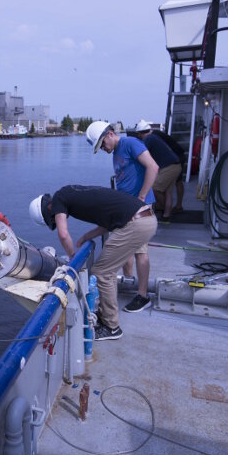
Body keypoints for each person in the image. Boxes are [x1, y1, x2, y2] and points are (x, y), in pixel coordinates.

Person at [29, 185, 157, 340]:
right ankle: (105, 315)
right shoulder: (72, 192)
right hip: (145, 217)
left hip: (136, 223)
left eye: (53, 217)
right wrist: (86, 236)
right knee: (106, 269)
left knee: (102, 272)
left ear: (48, 209)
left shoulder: (59, 199)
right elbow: (107, 223)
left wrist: (72, 258)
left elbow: (63, 235)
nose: (56, 218)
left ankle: (112, 327)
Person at [86, 121, 158, 313]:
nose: (102, 149)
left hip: (139, 208)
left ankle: (143, 296)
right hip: (127, 209)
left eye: (102, 144)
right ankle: (129, 284)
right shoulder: (117, 153)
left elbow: (153, 167)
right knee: (125, 250)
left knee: (140, 251)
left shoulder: (130, 144)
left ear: (110, 134)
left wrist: (141, 197)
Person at [134, 120, 182, 220]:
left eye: (138, 134)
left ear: (140, 133)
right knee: (167, 192)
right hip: (176, 165)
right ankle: (166, 215)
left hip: (169, 167)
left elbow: (141, 155)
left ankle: (162, 207)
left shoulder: (148, 139)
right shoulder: (154, 136)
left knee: (154, 188)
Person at [150, 127, 187, 212]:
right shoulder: (156, 133)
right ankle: (174, 205)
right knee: (174, 183)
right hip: (176, 155)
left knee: (177, 182)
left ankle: (175, 206)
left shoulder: (153, 137)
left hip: (176, 157)